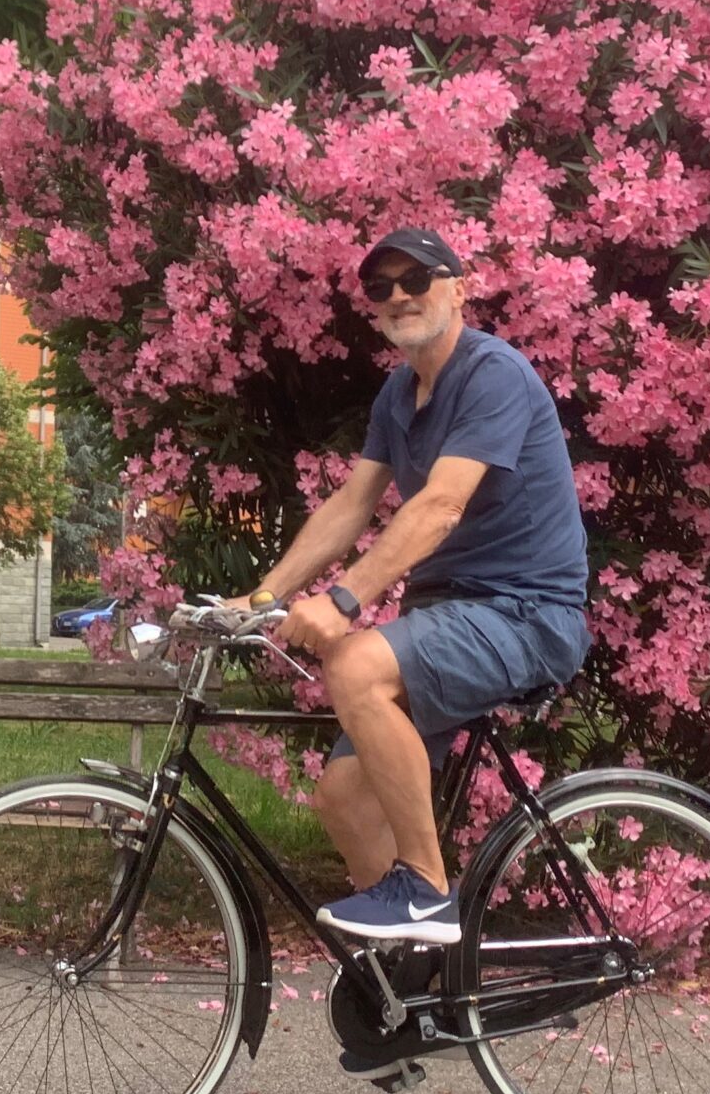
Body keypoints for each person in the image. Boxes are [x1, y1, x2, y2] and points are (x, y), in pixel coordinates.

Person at [240, 227, 589, 947]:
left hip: (525, 612)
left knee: (355, 660)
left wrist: (343, 600)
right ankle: (408, 986)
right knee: (343, 796)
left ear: (458, 286)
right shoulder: (399, 393)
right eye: (380, 287)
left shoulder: (493, 373)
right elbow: (351, 505)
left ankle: (425, 890)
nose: (398, 295)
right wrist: (262, 597)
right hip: (453, 613)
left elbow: (440, 504)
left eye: (417, 278)